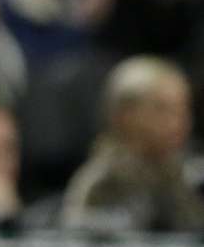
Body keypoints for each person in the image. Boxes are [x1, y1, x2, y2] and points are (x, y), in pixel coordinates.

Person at [61, 56, 204, 234]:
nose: (179, 122)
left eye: (183, 109)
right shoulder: (103, 181)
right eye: (162, 109)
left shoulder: (184, 176)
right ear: (125, 115)